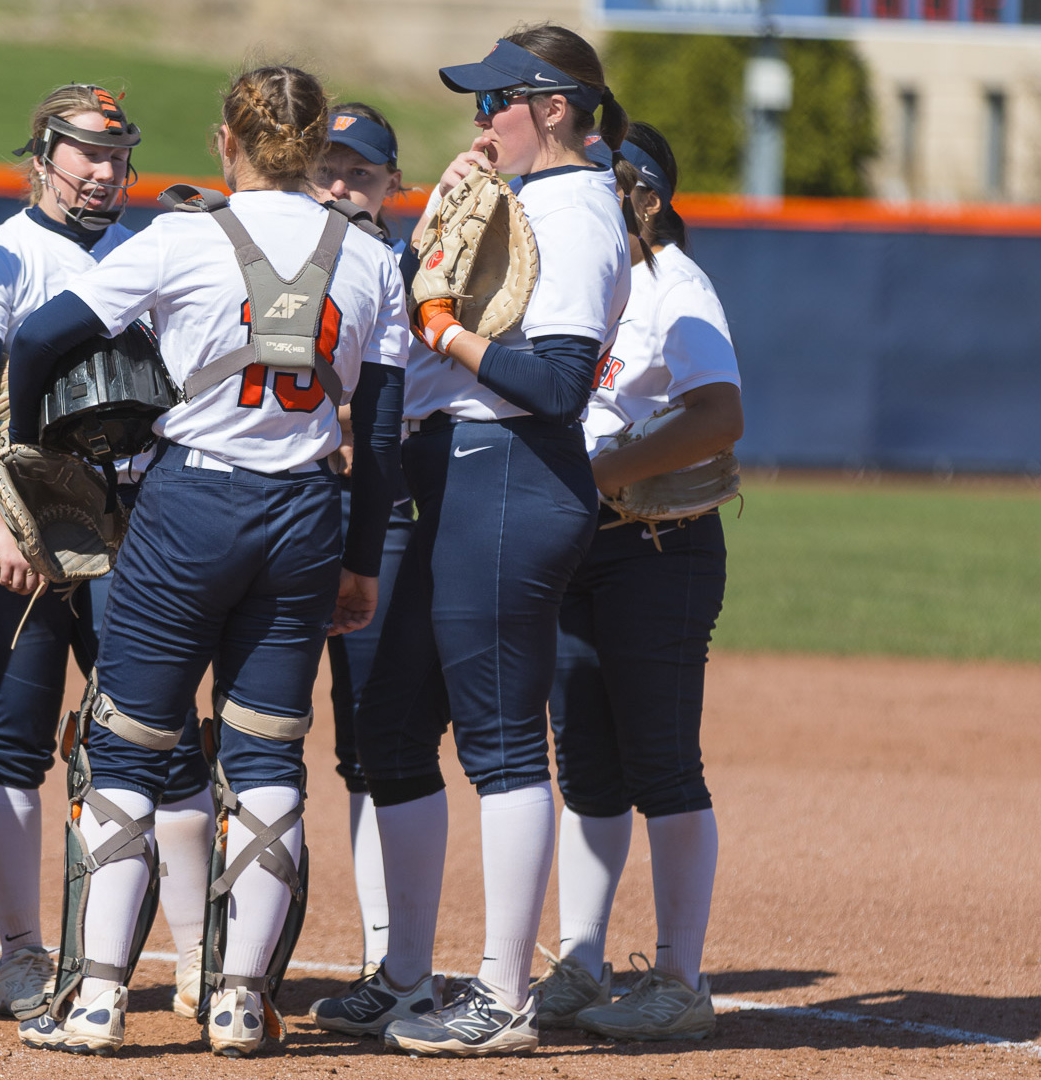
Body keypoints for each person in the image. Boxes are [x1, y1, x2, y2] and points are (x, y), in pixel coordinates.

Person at [1, 64, 411, 1058]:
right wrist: (360, 561)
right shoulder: (368, 256)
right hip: (306, 512)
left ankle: (96, 1002)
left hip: (190, 504)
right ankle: (238, 1002)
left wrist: (30, 455)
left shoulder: (180, 237)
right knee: (266, 754)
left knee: (125, 747)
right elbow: (380, 434)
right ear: (315, 149)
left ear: (227, 141)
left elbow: (42, 337)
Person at [309, 23, 633, 1058]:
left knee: (500, 741)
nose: (482, 119)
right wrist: (424, 249)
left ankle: (503, 994)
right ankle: (405, 973)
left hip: (513, 473)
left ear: (551, 107)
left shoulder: (576, 210)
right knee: (393, 727)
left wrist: (444, 325)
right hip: (448, 472)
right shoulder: (521, 196)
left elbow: (558, 385)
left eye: (496, 101)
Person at [0, 83, 215, 1023]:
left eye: (116, 154)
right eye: (84, 151)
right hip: (19, 519)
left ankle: (200, 958)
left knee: (165, 739)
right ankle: (22, 956)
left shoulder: (150, 250)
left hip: (131, 518)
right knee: (15, 737)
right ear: (42, 155)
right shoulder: (4, 252)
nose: (102, 170)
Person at [529, 121, 741, 1042]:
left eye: (603, 181)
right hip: (579, 545)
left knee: (662, 763)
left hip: (659, 549)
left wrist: (599, 474)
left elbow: (719, 415)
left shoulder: (675, 287)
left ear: (644, 197)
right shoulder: (579, 283)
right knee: (586, 765)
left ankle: (681, 981)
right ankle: (582, 959)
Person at [310, 102, 417, 979]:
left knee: (371, 736)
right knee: (254, 723)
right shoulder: (272, 254)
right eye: (327, 169)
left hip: (379, 514)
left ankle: (385, 952)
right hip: (283, 507)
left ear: (391, 186)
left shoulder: (411, 269)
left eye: (361, 173)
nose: (342, 187)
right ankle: (232, 951)